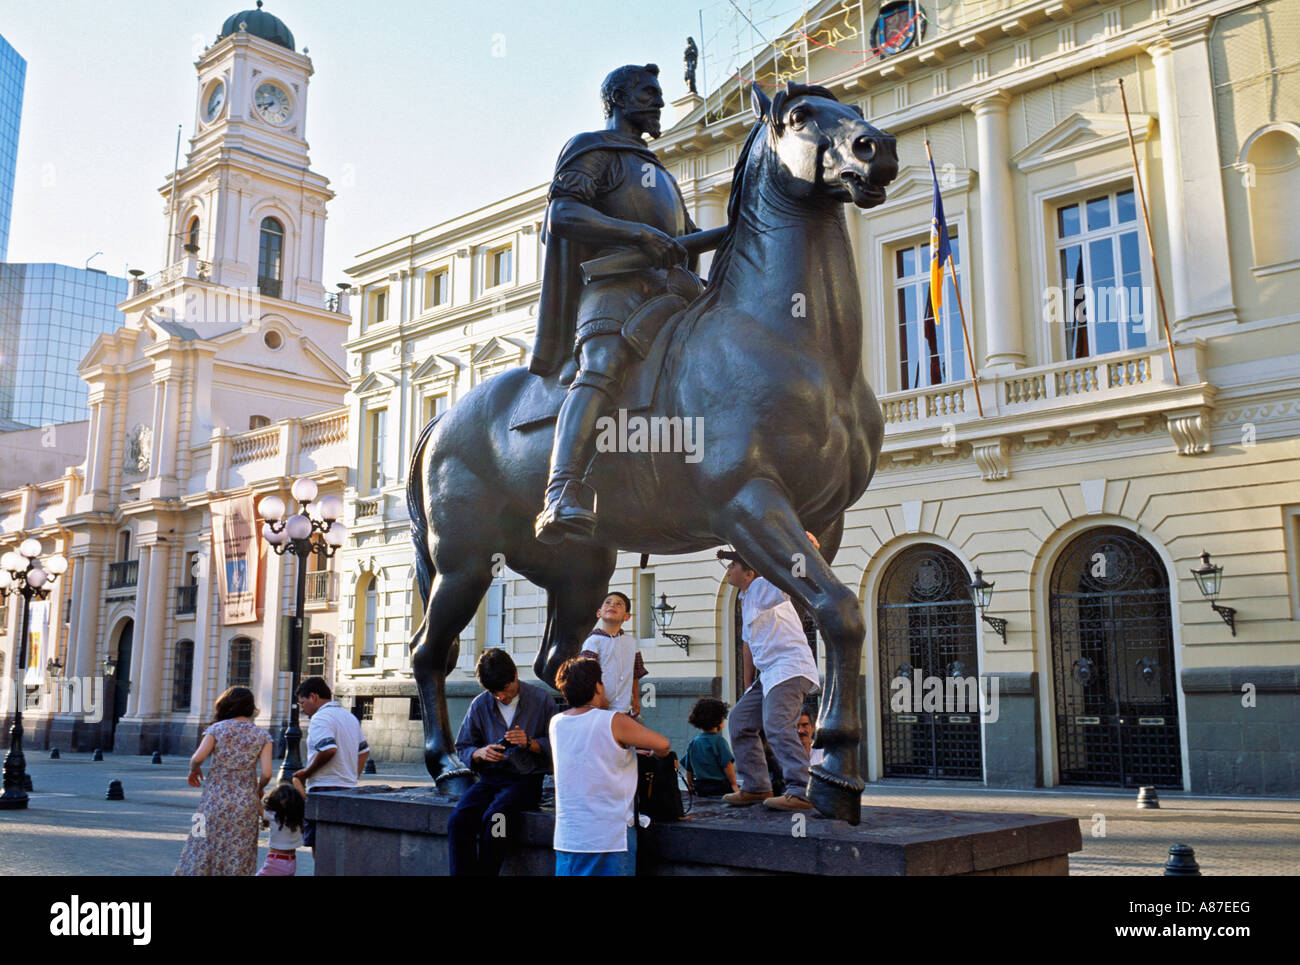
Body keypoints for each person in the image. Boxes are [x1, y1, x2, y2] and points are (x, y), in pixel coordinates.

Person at [530, 62, 720, 543]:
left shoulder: (659, 172)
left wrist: (747, 222)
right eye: (647, 93)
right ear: (617, 100)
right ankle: (561, 489)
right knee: (603, 364)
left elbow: (688, 240)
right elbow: (564, 212)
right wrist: (637, 233)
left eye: (659, 94)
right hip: (614, 285)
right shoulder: (593, 149)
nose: (658, 102)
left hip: (673, 291)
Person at [717, 539, 822, 813]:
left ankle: (801, 790)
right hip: (768, 675)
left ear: (749, 573)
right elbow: (747, 645)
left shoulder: (762, 587)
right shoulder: (744, 599)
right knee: (740, 720)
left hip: (789, 667)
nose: (728, 570)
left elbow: (789, 581)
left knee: (776, 725)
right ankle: (756, 787)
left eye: (733, 565)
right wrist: (748, 682)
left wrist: (803, 549)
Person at [549, 656, 670, 876]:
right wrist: (654, 753)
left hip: (568, 837)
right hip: (609, 836)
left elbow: (590, 752)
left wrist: (628, 750)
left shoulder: (556, 722)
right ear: (597, 687)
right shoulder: (612, 720)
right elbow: (663, 744)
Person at [449, 648, 558, 876]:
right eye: (495, 693)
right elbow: (463, 747)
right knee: (458, 822)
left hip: (525, 780)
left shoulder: (541, 700)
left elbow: (558, 747)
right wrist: (481, 753)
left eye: (505, 690)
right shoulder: (480, 704)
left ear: (515, 675)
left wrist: (530, 743)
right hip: (490, 779)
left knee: (496, 819)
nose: (501, 697)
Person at [175, 686, 272, 876]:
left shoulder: (216, 729)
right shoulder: (262, 735)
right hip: (245, 805)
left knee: (199, 841)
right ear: (251, 708)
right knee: (240, 852)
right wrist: (258, 789)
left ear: (226, 706)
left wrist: (193, 770)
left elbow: (198, 758)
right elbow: (267, 773)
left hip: (211, 801)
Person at [292, 676, 369, 853]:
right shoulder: (349, 717)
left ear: (313, 697)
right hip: (349, 789)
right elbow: (364, 751)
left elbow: (328, 749)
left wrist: (306, 772)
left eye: (303, 703)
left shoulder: (320, 718)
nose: (303, 709)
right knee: (342, 851)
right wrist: (352, 776)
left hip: (324, 789)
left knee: (321, 852)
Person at [578, 591, 648, 717]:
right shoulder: (593, 641)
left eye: (619, 604)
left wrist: (636, 700)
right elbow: (587, 675)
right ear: (599, 613)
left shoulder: (631, 643)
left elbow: (635, 673)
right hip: (600, 708)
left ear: (627, 616)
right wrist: (599, 698)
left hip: (624, 708)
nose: (612, 606)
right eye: (608, 602)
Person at [681, 697, 737, 797]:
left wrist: (689, 785)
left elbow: (688, 768)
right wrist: (734, 784)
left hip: (700, 786)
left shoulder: (693, 743)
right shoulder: (719, 742)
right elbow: (727, 765)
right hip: (720, 786)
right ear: (719, 721)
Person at [256, 782, 305, 876]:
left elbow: (258, 806)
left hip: (276, 861)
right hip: (291, 861)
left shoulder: (274, 817)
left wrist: (258, 789)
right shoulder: (298, 818)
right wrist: (297, 779)